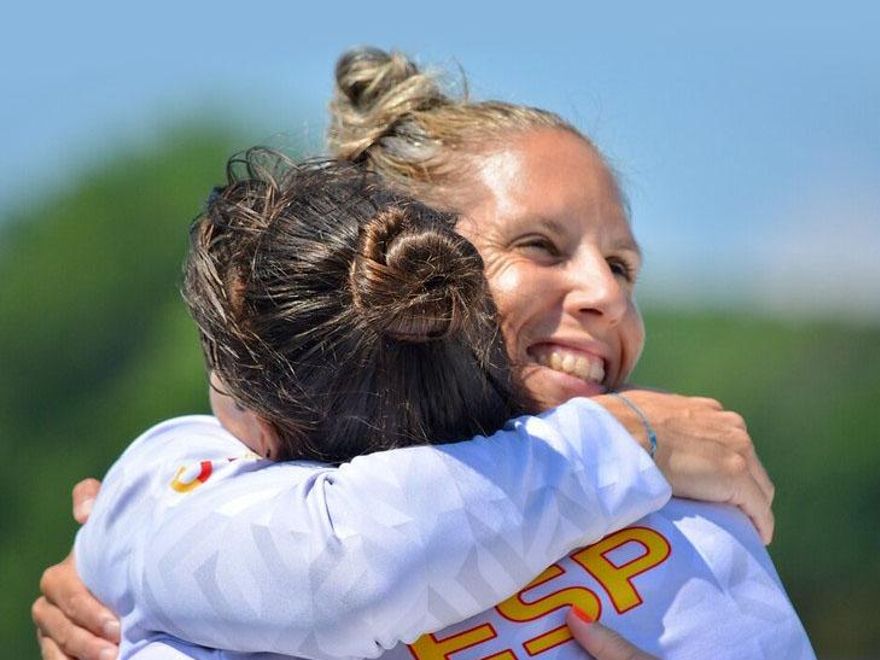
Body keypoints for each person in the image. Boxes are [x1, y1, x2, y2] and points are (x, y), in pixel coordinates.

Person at [33, 47, 788, 659]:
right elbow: (333, 570)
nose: (607, 294)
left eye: (623, 267)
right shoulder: (215, 469)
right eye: (540, 246)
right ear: (403, 257)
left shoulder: (687, 504)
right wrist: (627, 442)